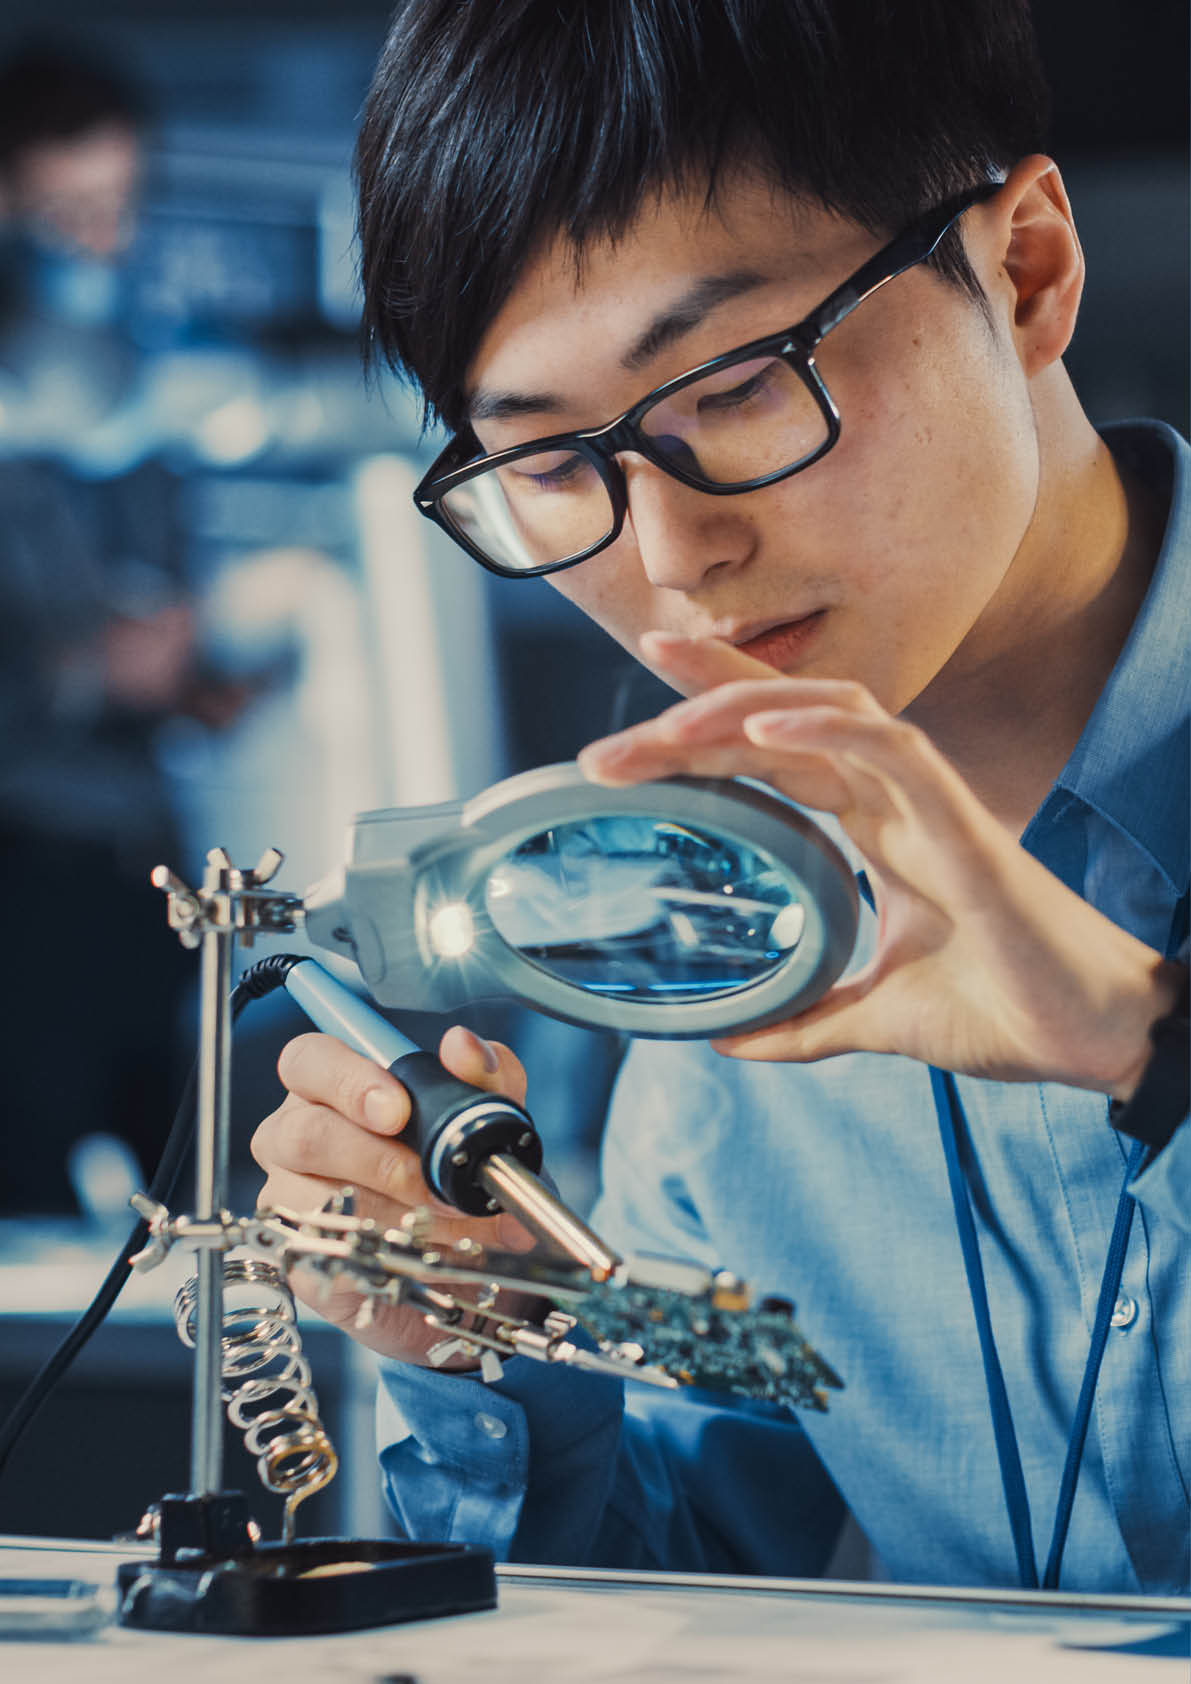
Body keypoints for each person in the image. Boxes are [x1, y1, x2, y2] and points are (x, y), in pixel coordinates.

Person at [251, 1, 1189, 1592]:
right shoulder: (719, 952)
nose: (674, 557)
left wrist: (1143, 1037)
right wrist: (495, 1337)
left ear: (1025, 270)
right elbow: (702, 1581)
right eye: (550, 466)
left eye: (744, 382)